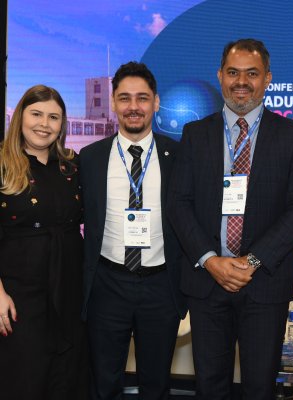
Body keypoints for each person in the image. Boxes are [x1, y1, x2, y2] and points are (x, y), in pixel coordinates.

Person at [167, 38, 293, 400]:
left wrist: (250, 261)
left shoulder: (292, 136)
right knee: (210, 385)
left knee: (259, 387)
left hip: (264, 283)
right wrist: (211, 260)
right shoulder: (195, 134)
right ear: (220, 76)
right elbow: (178, 203)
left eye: (252, 73)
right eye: (233, 72)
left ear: (268, 78)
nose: (241, 82)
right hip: (207, 282)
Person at [79, 61, 187, 400]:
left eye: (142, 98)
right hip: (106, 284)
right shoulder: (89, 158)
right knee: (103, 380)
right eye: (124, 98)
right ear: (113, 103)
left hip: (160, 286)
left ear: (156, 102)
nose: (133, 107)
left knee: (156, 384)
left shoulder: (179, 156)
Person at [0, 85, 88, 400]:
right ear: (20, 116)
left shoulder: (73, 166)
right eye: (36, 114)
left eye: (53, 117)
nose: (44, 124)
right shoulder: (3, 163)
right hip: (18, 297)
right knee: (24, 379)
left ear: (62, 125)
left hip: (69, 290)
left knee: (65, 380)